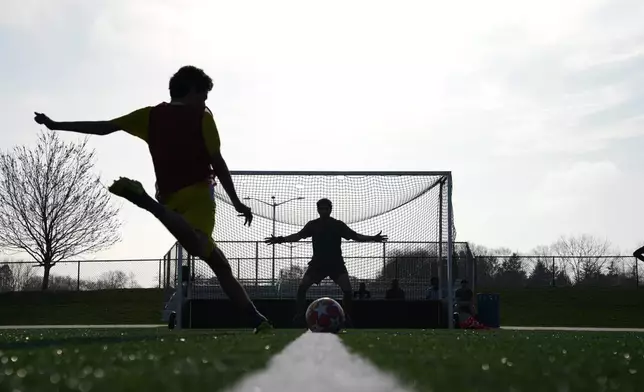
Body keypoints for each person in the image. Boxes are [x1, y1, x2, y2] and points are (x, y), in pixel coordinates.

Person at [33, 65, 272, 333]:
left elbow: (104, 127)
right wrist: (237, 201)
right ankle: (148, 204)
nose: (206, 100)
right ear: (192, 90)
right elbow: (217, 161)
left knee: (218, 262)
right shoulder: (202, 116)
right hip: (198, 194)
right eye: (204, 94)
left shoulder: (149, 116)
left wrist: (55, 126)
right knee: (199, 246)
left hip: (170, 198)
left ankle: (256, 319)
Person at [265, 198, 387, 326]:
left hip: (336, 264)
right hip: (317, 264)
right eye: (321, 208)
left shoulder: (338, 225)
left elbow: (355, 236)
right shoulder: (312, 225)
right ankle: (300, 316)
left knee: (347, 290)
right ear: (318, 210)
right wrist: (281, 239)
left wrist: (373, 238)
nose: (323, 211)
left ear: (330, 209)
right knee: (302, 288)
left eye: (326, 208)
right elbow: (298, 236)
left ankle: (346, 318)